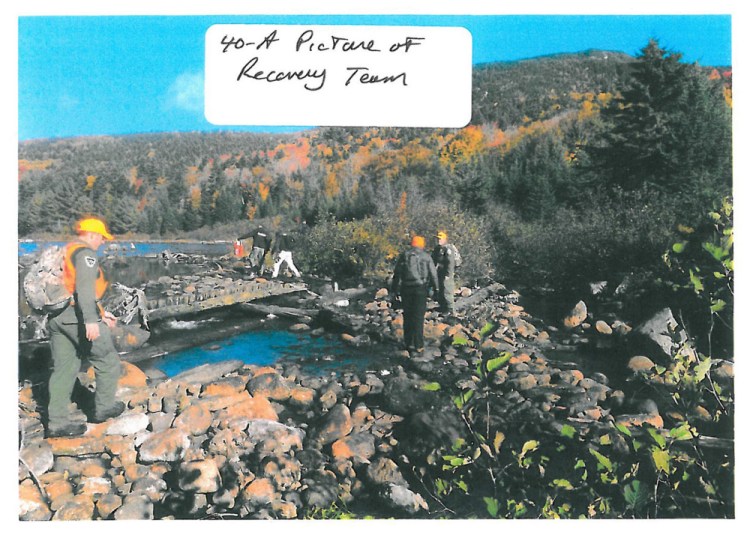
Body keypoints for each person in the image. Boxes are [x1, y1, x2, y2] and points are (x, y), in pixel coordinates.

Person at [46, 217, 124, 437]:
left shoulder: (67, 250)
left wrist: (101, 313)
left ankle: (57, 423)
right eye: (101, 237)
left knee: (64, 368)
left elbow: (70, 286)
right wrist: (92, 320)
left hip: (57, 317)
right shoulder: (86, 254)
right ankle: (104, 409)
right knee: (107, 359)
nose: (102, 242)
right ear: (91, 235)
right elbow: (84, 290)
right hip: (77, 316)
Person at [391, 235, 439, 354]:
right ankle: (419, 345)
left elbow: (397, 273)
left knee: (407, 316)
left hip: (406, 289)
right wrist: (436, 289)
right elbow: (433, 274)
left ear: (412, 244)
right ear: (422, 244)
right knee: (418, 317)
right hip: (420, 289)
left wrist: (394, 290)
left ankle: (408, 344)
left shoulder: (404, 255)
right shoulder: (426, 256)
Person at [432, 230, 457, 313]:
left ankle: (451, 311)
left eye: (440, 239)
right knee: (440, 291)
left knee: (447, 291)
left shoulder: (448, 248)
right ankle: (443, 308)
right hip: (440, 272)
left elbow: (450, 263)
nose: (438, 240)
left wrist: (448, 275)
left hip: (447, 274)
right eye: (438, 239)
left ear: (445, 239)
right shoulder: (437, 249)